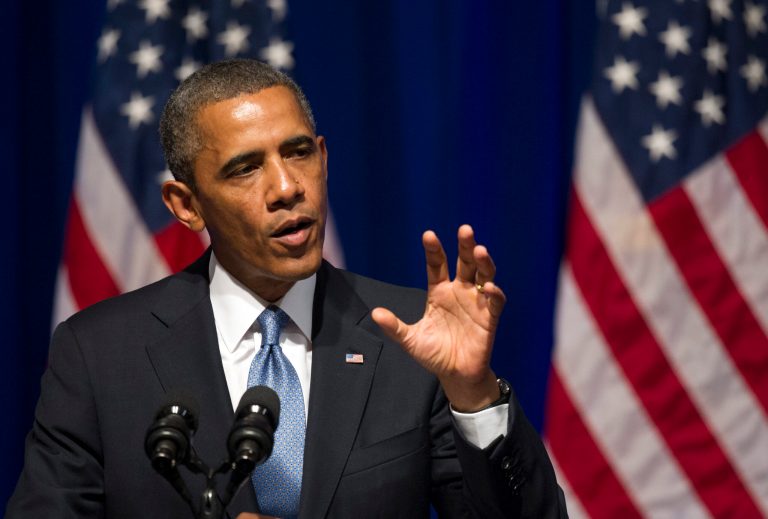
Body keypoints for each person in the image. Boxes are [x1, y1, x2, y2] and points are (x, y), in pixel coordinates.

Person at [7, 59, 566, 518]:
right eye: (245, 168)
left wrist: (474, 397)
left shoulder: (413, 337)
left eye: (298, 152)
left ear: (323, 158)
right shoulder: (99, 355)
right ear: (186, 205)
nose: (286, 187)